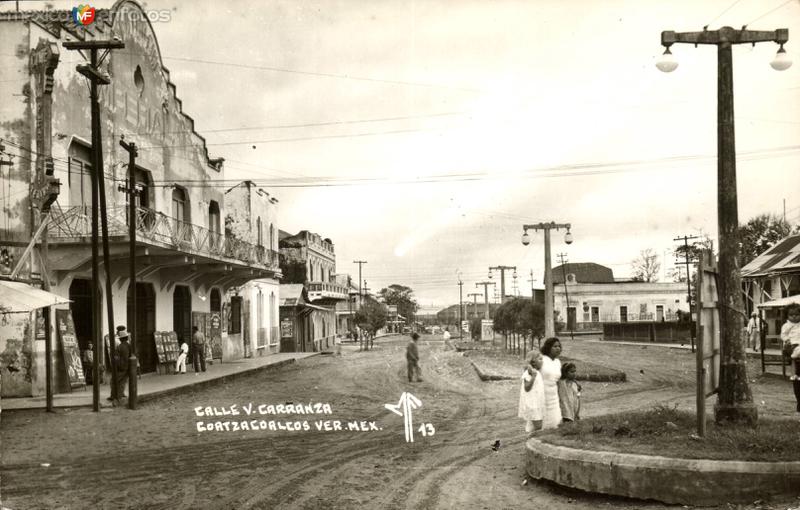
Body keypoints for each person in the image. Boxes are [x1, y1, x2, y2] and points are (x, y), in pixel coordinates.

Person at [518, 350, 545, 436]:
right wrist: (533, 376)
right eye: (540, 359)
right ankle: (533, 439)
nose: (542, 361)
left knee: (533, 426)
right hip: (532, 404)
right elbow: (527, 388)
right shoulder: (529, 373)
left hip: (537, 403)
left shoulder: (537, 372)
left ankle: (530, 437)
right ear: (533, 362)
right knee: (538, 426)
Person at [540, 337, 563, 429]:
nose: (558, 348)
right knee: (542, 424)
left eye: (559, 346)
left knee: (555, 423)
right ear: (548, 348)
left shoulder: (558, 362)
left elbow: (559, 380)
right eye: (555, 346)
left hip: (554, 397)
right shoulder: (541, 360)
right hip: (542, 395)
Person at [781, 303, 800, 412]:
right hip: (792, 346)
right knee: (797, 380)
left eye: (797, 315)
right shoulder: (786, 326)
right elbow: (783, 336)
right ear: (787, 316)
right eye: (791, 315)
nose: (794, 317)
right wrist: (787, 341)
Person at [115, 331, 131, 401]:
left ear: (121, 339)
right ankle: (121, 395)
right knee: (123, 381)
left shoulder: (120, 347)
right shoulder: (129, 346)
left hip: (121, 366)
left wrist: (117, 365)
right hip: (128, 366)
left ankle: (117, 397)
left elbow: (116, 358)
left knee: (116, 381)